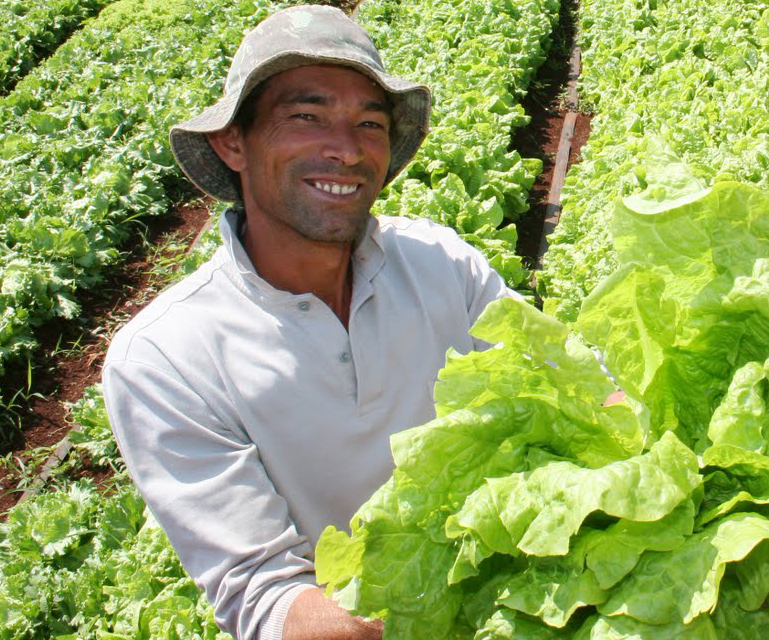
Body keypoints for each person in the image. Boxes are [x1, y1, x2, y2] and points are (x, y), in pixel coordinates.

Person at [101, 6, 517, 640]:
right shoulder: (166, 358)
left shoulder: (444, 265)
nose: (346, 150)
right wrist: (444, 611)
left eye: (369, 124)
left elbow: (571, 388)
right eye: (306, 116)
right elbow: (265, 593)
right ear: (232, 143)